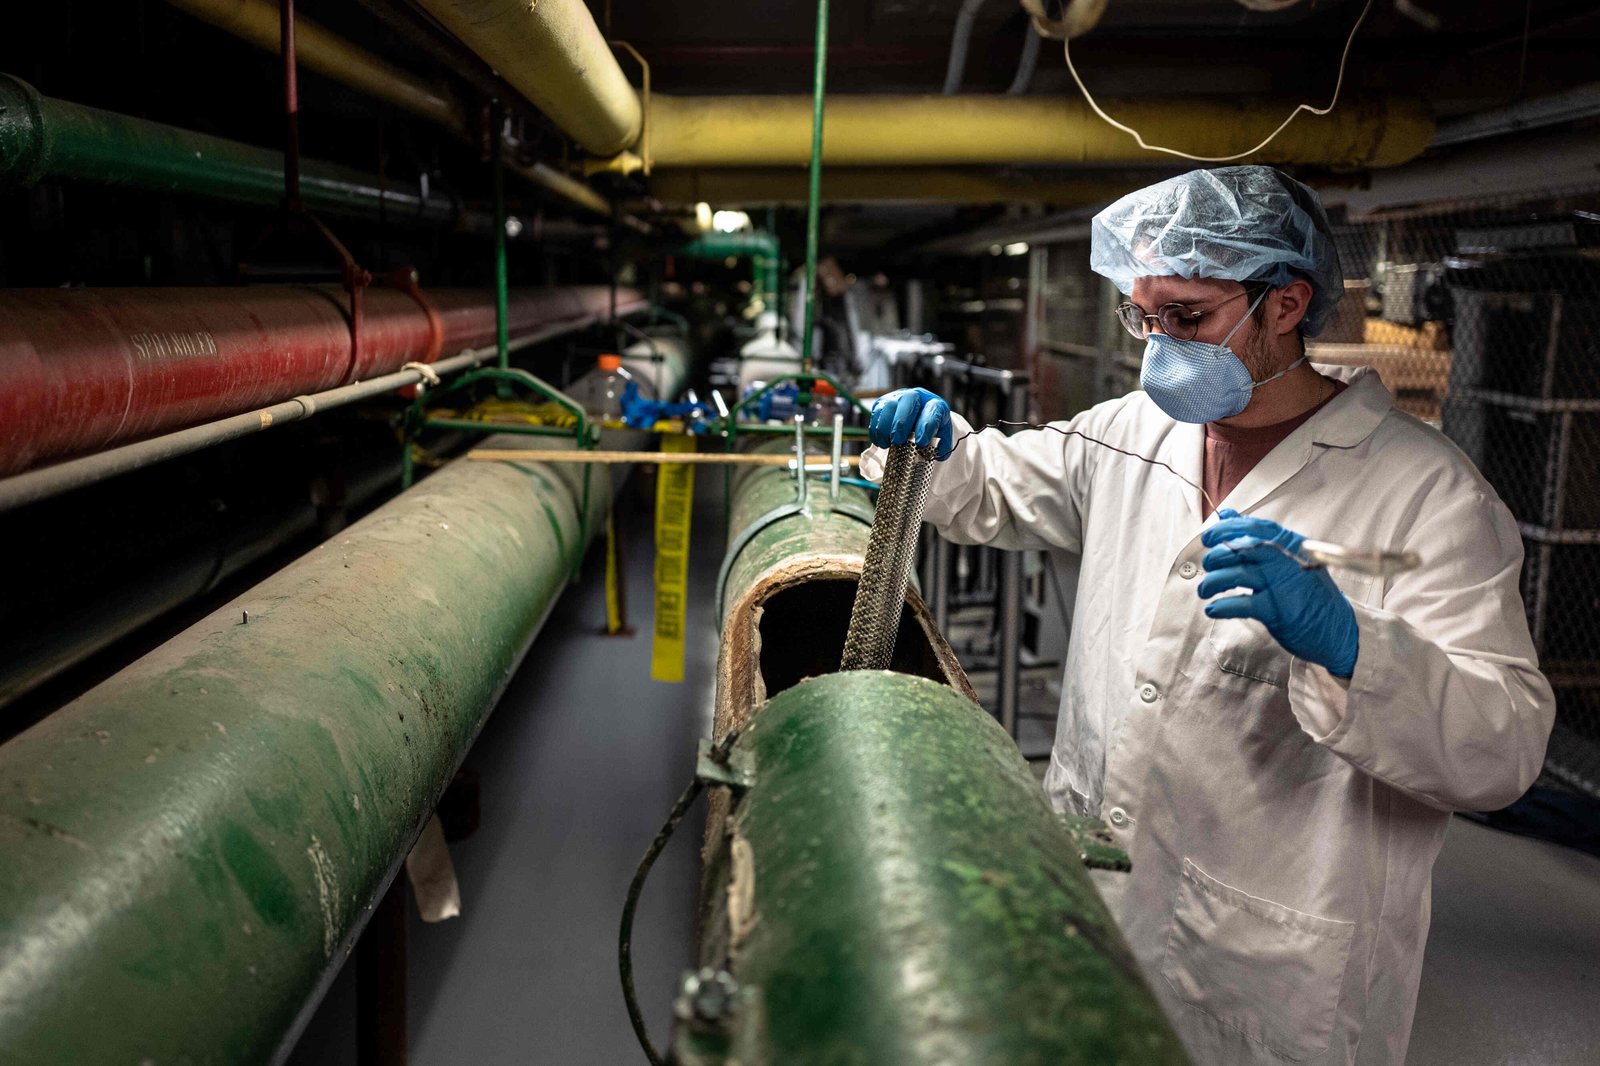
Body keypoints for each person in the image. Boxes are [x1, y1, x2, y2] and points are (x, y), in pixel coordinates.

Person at [864, 166, 1555, 1066]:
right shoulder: (1132, 433)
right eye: (1142, 318)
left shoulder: (1426, 497)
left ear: (1285, 304)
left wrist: (1356, 651)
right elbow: (992, 486)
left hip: (1273, 964)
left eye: (1186, 318)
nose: (1157, 349)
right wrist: (927, 449)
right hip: (1099, 892)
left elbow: (1503, 747)